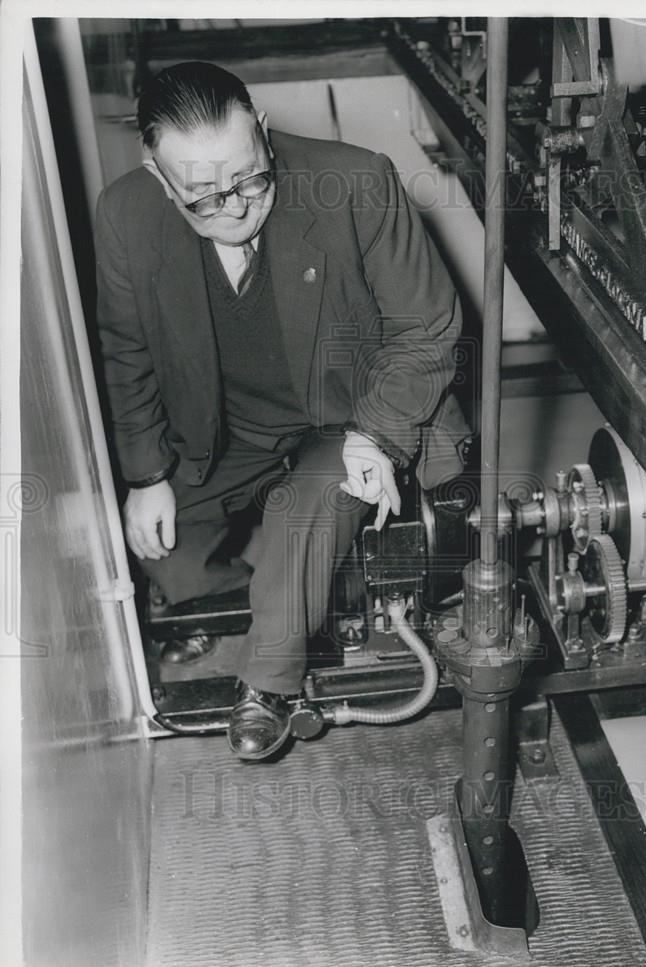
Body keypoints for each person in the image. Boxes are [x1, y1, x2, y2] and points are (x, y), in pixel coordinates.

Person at [94, 61, 470, 761]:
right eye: (202, 196)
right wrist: (146, 477)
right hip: (231, 429)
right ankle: (290, 594)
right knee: (163, 554)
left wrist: (378, 436)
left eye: (250, 178)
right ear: (157, 173)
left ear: (263, 134)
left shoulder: (357, 181)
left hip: (350, 415)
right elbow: (126, 353)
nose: (234, 206)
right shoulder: (125, 215)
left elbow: (428, 326)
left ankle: (268, 686)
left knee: (303, 518)